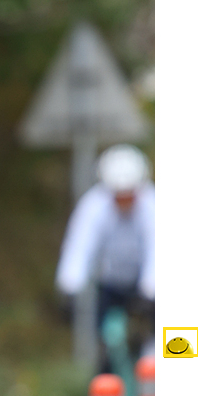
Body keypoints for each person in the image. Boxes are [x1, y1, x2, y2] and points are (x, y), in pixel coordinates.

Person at [55, 144, 155, 370]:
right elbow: (80, 246)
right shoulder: (94, 205)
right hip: (109, 283)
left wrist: (150, 291)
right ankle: (104, 369)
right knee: (101, 334)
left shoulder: (153, 205)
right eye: (118, 195)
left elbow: (156, 251)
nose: (124, 200)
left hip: (144, 285)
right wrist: (69, 287)